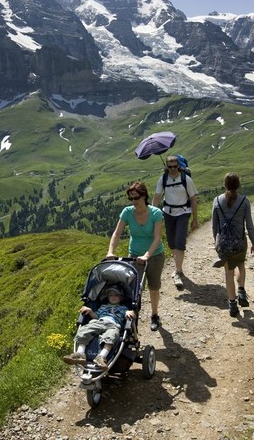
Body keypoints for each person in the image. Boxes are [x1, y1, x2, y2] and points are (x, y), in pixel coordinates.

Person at [107, 181, 166, 331]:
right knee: (134, 289)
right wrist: (110, 251)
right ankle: (132, 318)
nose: (133, 201)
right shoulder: (127, 212)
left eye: (136, 198)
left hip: (155, 254)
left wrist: (147, 255)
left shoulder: (155, 213)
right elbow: (117, 233)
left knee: (154, 287)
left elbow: (157, 237)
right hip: (134, 256)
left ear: (144, 196)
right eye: (131, 198)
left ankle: (154, 315)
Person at [211, 172, 254, 317]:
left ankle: (232, 305)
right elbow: (249, 224)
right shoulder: (244, 201)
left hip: (224, 243)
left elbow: (214, 226)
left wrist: (217, 243)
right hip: (240, 241)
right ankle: (241, 291)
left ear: (224, 185)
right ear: (238, 185)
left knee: (228, 272)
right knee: (241, 265)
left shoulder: (217, 201)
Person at [63, 285, 136, 369]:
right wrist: (90, 311)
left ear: (121, 298)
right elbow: (96, 316)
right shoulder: (103, 307)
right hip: (99, 322)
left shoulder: (123, 308)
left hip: (113, 325)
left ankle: (101, 357)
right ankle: (80, 354)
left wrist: (129, 312)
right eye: (111, 295)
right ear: (108, 297)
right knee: (84, 330)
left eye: (116, 295)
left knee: (111, 336)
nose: (113, 297)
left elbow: (130, 313)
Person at [153, 155, 198, 290]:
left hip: (183, 212)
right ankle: (179, 266)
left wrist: (195, 219)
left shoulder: (186, 179)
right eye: (170, 166)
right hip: (168, 212)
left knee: (179, 242)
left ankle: (177, 271)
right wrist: (153, 215)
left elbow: (194, 199)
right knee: (172, 242)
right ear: (166, 166)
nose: (173, 168)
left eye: (175, 166)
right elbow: (156, 198)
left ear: (179, 166)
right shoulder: (163, 179)